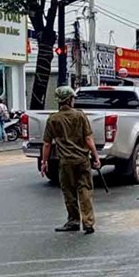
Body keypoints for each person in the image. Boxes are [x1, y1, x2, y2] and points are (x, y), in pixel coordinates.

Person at [41, 86, 100, 234]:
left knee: (69, 192)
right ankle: (88, 222)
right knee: (85, 189)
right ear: (69, 99)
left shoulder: (53, 119)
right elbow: (88, 138)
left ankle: (73, 220)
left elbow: (47, 144)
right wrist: (96, 156)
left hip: (65, 162)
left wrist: (44, 162)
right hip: (82, 160)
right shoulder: (80, 116)